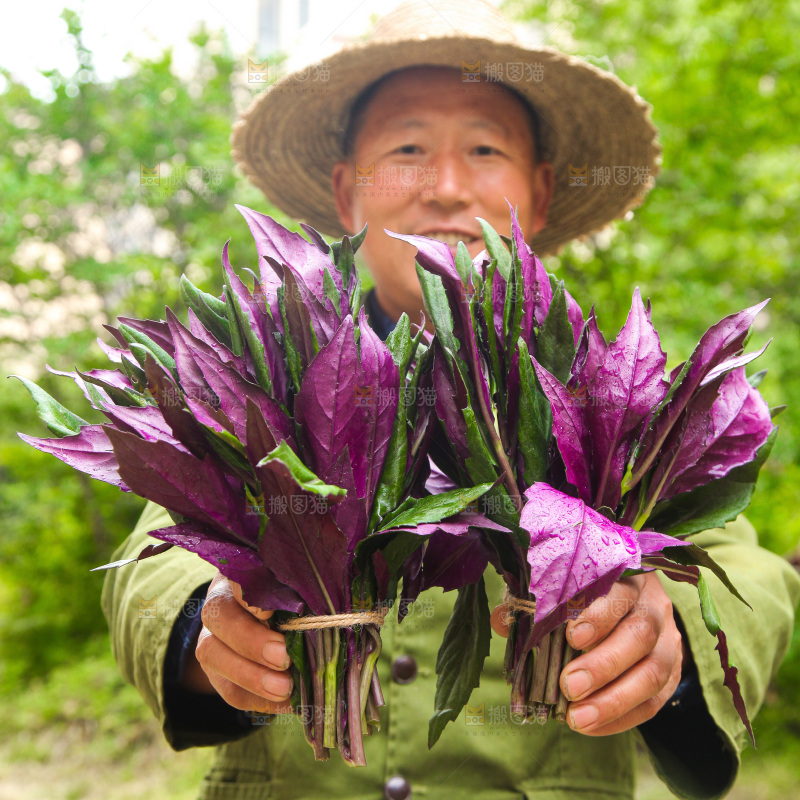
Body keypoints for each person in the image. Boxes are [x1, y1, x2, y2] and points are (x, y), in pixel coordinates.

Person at [102, 2, 800, 799]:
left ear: (537, 195)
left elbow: (742, 562)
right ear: (347, 193)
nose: (445, 186)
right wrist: (200, 624)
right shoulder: (270, 382)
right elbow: (152, 549)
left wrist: (666, 635)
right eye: (406, 149)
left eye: (483, 147)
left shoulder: (607, 384)